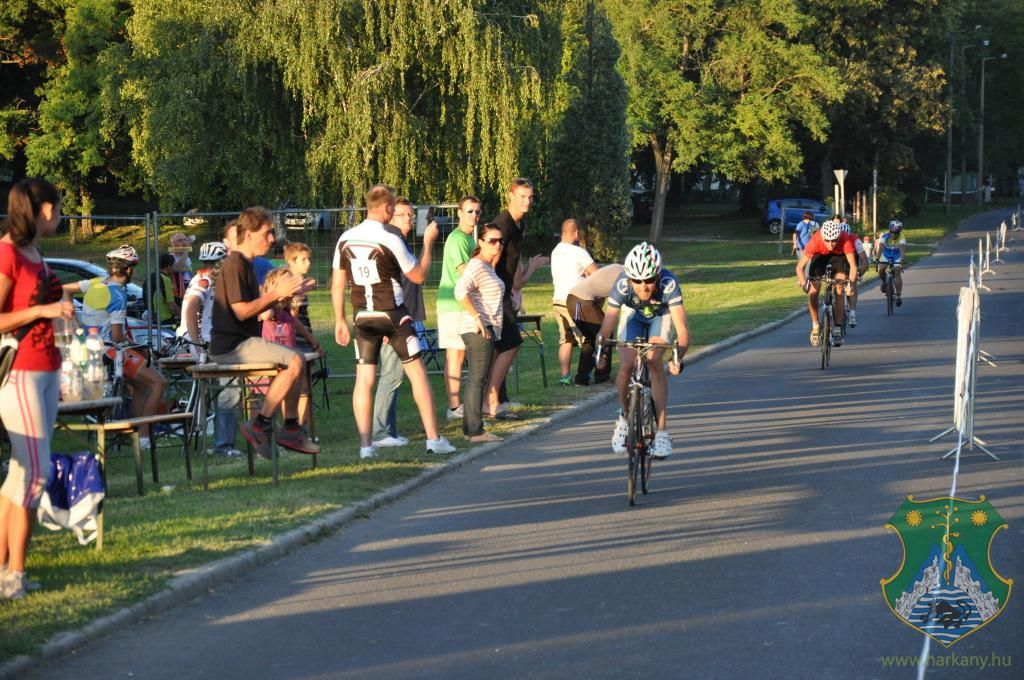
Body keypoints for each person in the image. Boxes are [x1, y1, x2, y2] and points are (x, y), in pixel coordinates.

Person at [331, 184, 455, 459]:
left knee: (363, 380)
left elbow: (338, 283)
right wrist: (428, 244)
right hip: (393, 314)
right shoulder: (390, 239)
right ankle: (433, 439)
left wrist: (339, 319)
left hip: (362, 316)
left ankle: (366, 446)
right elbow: (419, 276)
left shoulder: (345, 238)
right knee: (417, 375)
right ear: (387, 208)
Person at [0, 178, 74, 600]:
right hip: (21, 373)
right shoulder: (7, 252)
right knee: (35, 474)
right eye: (58, 207)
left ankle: (5, 570)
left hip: (47, 367)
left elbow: (46, 305)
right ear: (42, 208)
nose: (60, 214)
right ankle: (16, 573)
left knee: (17, 476)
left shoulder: (35, 251)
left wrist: (62, 311)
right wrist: (44, 308)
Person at [210, 207, 319, 457]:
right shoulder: (235, 263)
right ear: (248, 234)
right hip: (232, 347)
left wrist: (285, 295)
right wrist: (276, 294)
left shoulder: (246, 264)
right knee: (295, 359)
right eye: (267, 233)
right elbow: (241, 312)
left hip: (242, 342)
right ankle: (261, 424)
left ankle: (291, 428)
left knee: (293, 363)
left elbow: (258, 307)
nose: (272, 239)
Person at [64, 245, 168, 446]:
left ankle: (136, 433)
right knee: (158, 383)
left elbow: (65, 290)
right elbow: (117, 336)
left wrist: (74, 323)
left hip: (90, 348)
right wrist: (140, 347)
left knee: (139, 387)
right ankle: (145, 439)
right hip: (109, 350)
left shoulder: (95, 283)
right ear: (128, 269)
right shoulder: (118, 296)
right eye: (133, 268)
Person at [597, 242, 688, 459]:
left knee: (654, 361)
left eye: (649, 280)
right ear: (629, 278)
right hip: (633, 316)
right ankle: (623, 419)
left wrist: (678, 357)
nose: (643, 286)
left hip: (660, 316)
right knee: (627, 364)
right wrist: (601, 353)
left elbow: (683, 331)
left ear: (658, 276)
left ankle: (663, 432)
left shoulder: (668, 283)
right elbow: (607, 326)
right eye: (637, 281)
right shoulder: (622, 286)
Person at [486, 178, 548, 418]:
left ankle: (498, 398)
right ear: (510, 196)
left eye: (530, 197)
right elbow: (485, 259)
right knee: (511, 342)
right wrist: (494, 293)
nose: (527, 201)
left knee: (501, 346)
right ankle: (491, 399)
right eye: (522, 196)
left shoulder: (519, 226)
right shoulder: (501, 225)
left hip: (505, 292)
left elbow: (516, 271)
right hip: (493, 293)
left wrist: (517, 286)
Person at [370, 198, 428, 448]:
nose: (410, 218)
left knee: (397, 375)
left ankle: (389, 431)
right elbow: (408, 279)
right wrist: (428, 243)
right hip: (393, 320)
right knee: (391, 375)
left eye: (412, 214)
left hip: (402, 318)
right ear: (391, 217)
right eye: (404, 214)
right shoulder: (391, 241)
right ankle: (381, 433)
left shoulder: (398, 241)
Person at [175, 240, 241, 457]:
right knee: (229, 388)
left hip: (208, 341)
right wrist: (198, 343)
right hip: (203, 343)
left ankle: (219, 438)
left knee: (222, 389)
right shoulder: (204, 282)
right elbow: (191, 310)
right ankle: (224, 445)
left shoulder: (208, 279)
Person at [455, 224, 506, 443]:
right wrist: (478, 318)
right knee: (477, 379)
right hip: (478, 329)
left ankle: (470, 428)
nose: (498, 244)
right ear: (481, 242)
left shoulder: (487, 266)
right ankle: (476, 432)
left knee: (477, 379)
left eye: (500, 241)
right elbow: (460, 291)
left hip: (486, 327)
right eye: (493, 240)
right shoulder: (477, 265)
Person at [435, 195, 482, 421]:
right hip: (452, 303)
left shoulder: (469, 240)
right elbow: (465, 271)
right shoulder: (457, 239)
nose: (474, 216)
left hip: (463, 303)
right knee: (455, 355)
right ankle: (454, 407)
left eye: (477, 212)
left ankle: (461, 404)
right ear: (460, 213)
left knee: (461, 354)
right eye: (470, 211)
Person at [795, 219, 858, 347]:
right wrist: (803, 283)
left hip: (838, 257)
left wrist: (850, 284)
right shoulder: (815, 241)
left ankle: (837, 328)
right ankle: (815, 326)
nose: (831, 244)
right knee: (813, 291)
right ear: (823, 237)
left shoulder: (845, 239)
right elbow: (799, 267)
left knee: (839, 289)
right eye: (827, 240)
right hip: (820, 256)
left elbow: (853, 266)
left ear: (839, 236)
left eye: (834, 240)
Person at [550, 218, 597, 386]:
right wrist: (585, 274)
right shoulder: (579, 252)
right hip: (573, 301)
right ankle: (582, 377)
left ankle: (565, 377)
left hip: (557, 300)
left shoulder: (556, 251)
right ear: (576, 233)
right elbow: (596, 274)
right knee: (586, 338)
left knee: (566, 340)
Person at [565, 263, 624, 385]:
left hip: (578, 300)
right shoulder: (623, 276)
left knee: (593, 339)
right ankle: (602, 377)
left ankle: (581, 379)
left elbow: (600, 293)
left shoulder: (617, 269)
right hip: (580, 300)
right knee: (604, 335)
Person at [283, 242, 319, 351]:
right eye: (303, 260)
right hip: (294, 341)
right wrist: (313, 342)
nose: (308, 263)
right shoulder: (289, 284)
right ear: (291, 261)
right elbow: (293, 317)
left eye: (309, 259)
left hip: (302, 339)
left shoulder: (300, 282)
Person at [838, 221, 869, 327]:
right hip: (839, 260)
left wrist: (859, 272)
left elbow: (865, 260)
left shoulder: (855, 240)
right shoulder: (834, 239)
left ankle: (852, 313)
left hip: (853, 260)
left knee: (853, 285)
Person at [874, 220, 906, 306]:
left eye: (896, 233)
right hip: (886, 254)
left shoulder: (901, 238)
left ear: (899, 232)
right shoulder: (884, 237)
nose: (894, 234)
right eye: (892, 232)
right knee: (881, 269)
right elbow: (880, 249)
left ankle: (898, 296)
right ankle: (884, 282)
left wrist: (902, 261)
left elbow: (902, 251)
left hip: (897, 255)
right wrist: (876, 259)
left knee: (897, 273)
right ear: (889, 231)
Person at [144, 253, 180, 325]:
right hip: (165, 319)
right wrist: (180, 315)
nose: (174, 268)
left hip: (151, 318)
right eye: (174, 265)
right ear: (168, 266)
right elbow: (172, 306)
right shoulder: (165, 279)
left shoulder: (151, 277)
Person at [168, 232, 194, 311]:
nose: (184, 242)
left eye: (184, 239)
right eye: (180, 240)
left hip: (188, 292)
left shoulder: (187, 258)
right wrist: (186, 251)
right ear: (173, 244)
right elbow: (177, 269)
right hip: (177, 295)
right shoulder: (170, 257)